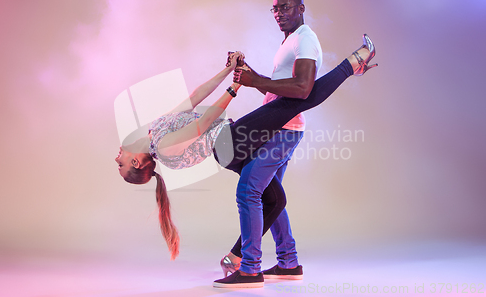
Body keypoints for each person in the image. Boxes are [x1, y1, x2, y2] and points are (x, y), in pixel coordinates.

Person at [115, 35, 377, 288]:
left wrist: (228, 70)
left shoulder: (155, 132)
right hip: (228, 143)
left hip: (229, 142)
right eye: (121, 164)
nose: (117, 157)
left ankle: (268, 261)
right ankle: (353, 63)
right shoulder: (162, 148)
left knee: (275, 199)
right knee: (295, 101)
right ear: (137, 163)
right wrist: (236, 86)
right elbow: (201, 125)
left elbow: (194, 98)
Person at [218, 0, 321, 285]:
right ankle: (289, 262)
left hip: (284, 129)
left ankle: (250, 267)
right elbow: (274, 88)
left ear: (301, 8)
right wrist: (245, 71)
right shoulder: (289, 41)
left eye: (286, 7)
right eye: (275, 8)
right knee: (268, 194)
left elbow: (303, 89)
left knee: (249, 190)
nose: (279, 13)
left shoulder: (306, 39)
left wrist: (255, 81)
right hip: (276, 126)